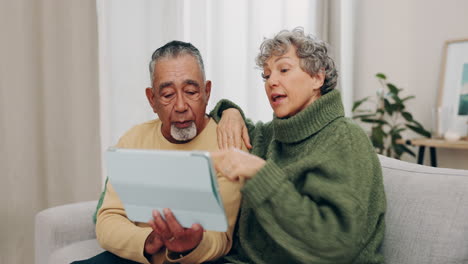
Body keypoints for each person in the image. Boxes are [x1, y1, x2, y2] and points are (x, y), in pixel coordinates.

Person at [209, 28, 387, 263]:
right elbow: (223, 119)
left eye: (283, 69)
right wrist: (229, 111)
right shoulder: (270, 134)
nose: (272, 81)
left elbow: (336, 244)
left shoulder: (345, 138)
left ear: (317, 77)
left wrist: (261, 174)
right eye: (266, 75)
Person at [73, 41, 244, 264]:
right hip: (142, 255)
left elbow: (222, 237)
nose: (181, 105)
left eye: (191, 92)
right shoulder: (133, 140)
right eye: (168, 95)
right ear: (152, 99)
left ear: (207, 92)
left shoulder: (227, 142)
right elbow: (108, 218)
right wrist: (148, 240)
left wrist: (191, 245)